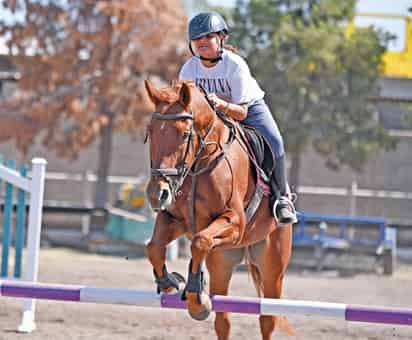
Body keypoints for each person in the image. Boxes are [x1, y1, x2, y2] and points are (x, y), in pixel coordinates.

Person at [179, 12, 297, 225]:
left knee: (275, 141)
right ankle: (176, 189)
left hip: (249, 109)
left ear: (221, 38)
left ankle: (282, 199)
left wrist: (221, 105)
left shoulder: (235, 65)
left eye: (208, 36)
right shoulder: (188, 69)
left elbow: (241, 112)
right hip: (210, 116)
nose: (202, 42)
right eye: (197, 38)